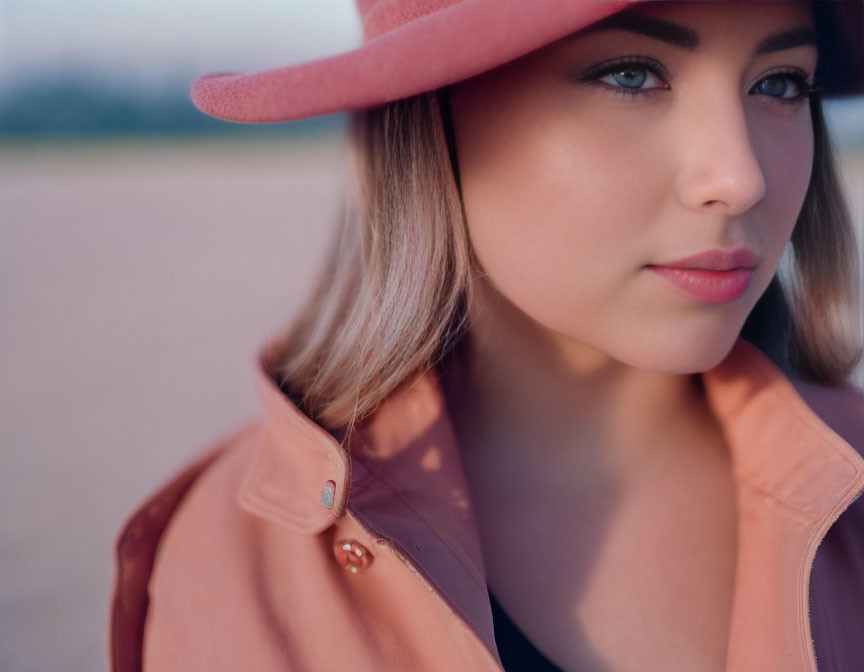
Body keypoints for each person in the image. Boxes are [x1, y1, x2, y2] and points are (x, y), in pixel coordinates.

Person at [109, 1, 864, 670]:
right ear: (432, 111)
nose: (740, 179)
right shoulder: (232, 560)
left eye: (780, 84)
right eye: (632, 74)